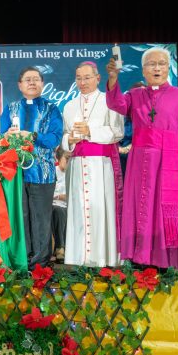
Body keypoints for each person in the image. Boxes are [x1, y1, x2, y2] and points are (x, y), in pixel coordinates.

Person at [105, 47, 178, 269]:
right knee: (141, 206)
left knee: (166, 209)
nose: (157, 68)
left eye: (162, 64)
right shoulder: (135, 95)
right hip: (140, 161)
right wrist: (113, 78)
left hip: (169, 160)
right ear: (143, 70)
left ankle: (169, 260)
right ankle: (141, 258)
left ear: (168, 68)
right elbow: (116, 104)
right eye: (151, 64)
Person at [0, 66, 63, 269]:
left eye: (36, 79)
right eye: (27, 79)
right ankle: (23, 261)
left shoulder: (51, 109)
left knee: (41, 219)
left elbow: (54, 139)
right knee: (20, 218)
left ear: (42, 84)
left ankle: (41, 264)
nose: (32, 83)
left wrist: (33, 136)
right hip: (15, 173)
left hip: (42, 173)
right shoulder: (10, 108)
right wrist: (6, 136)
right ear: (19, 85)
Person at [62, 61, 124, 267]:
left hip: (101, 166)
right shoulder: (69, 106)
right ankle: (79, 258)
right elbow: (64, 136)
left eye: (87, 77)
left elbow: (118, 132)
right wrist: (69, 140)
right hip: (76, 166)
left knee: (100, 209)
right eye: (79, 78)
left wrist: (90, 131)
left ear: (98, 78)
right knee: (79, 210)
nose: (83, 82)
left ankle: (104, 258)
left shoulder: (109, 101)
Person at [51, 148, 69, 262]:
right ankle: (59, 247)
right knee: (58, 211)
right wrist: (59, 196)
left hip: (68, 205)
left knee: (63, 212)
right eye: (66, 158)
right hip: (54, 204)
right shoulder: (53, 171)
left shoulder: (72, 173)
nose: (68, 161)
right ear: (58, 158)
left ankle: (62, 248)